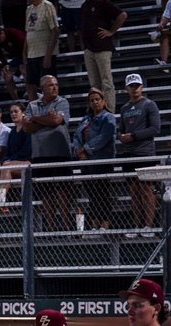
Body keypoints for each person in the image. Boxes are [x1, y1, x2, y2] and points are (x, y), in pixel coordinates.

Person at [24, 74, 73, 232]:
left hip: (60, 153)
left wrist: (35, 119)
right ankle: (51, 228)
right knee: (46, 192)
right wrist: (45, 119)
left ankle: (66, 227)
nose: (55, 88)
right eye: (51, 85)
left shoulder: (62, 102)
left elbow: (57, 121)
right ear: (42, 88)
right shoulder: (33, 104)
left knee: (63, 191)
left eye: (56, 84)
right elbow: (26, 128)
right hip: (40, 154)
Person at [117, 74, 160, 234]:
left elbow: (155, 128)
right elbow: (121, 129)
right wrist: (121, 137)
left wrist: (134, 136)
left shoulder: (150, 105)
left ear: (142, 87)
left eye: (137, 85)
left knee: (147, 189)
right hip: (129, 153)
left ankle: (148, 225)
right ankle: (137, 224)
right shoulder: (124, 108)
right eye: (131, 86)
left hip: (145, 152)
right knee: (133, 191)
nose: (134, 88)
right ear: (126, 88)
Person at [73, 88, 116, 231]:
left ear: (103, 101)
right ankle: (94, 223)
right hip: (86, 162)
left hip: (101, 159)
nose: (95, 102)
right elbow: (76, 136)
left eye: (97, 99)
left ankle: (105, 223)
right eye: (92, 100)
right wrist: (78, 150)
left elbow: (104, 137)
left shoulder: (108, 117)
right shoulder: (85, 119)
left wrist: (86, 148)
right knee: (91, 194)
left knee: (102, 192)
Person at [80, 0, 126, 114]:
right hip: (89, 49)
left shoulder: (102, 2)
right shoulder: (84, 5)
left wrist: (111, 31)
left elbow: (122, 15)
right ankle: (96, 110)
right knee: (94, 84)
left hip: (103, 47)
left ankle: (110, 110)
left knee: (106, 81)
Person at [24, 0, 59, 102]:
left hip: (44, 52)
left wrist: (48, 55)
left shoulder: (47, 5)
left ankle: (51, 109)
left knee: (48, 85)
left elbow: (55, 31)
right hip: (31, 53)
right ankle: (35, 110)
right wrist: (24, 52)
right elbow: (27, 32)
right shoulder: (29, 9)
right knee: (30, 84)